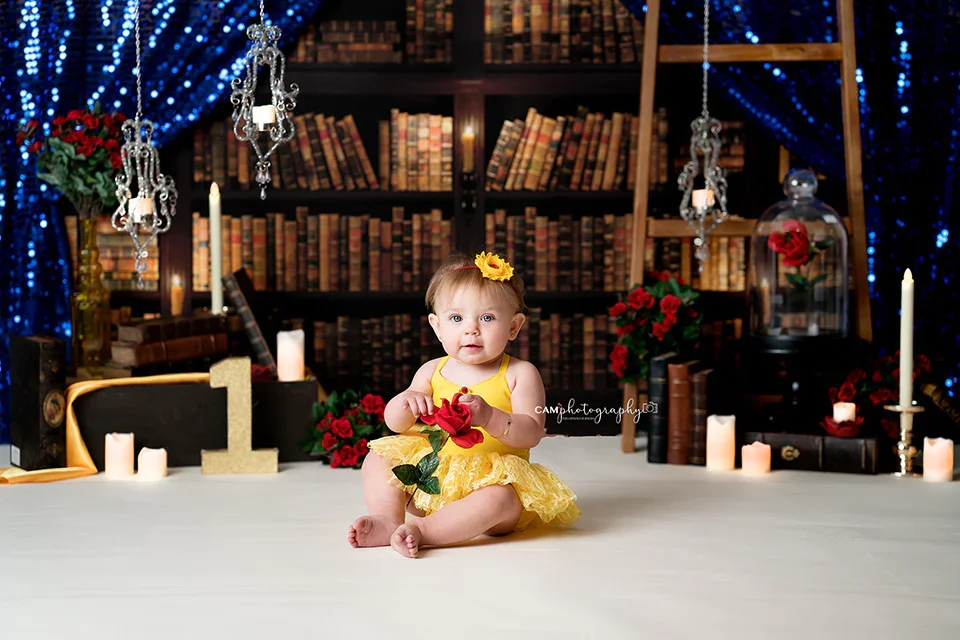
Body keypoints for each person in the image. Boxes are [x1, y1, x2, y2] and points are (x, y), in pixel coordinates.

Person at [348, 251, 581, 558]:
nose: (471, 329)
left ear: (514, 327)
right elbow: (396, 424)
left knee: (501, 500)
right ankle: (388, 518)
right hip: (430, 482)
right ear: (437, 326)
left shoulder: (519, 374)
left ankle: (425, 531)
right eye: (457, 318)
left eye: (487, 318)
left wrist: (491, 417)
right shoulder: (432, 370)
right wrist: (407, 402)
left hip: (490, 485)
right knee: (378, 458)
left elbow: (531, 432)